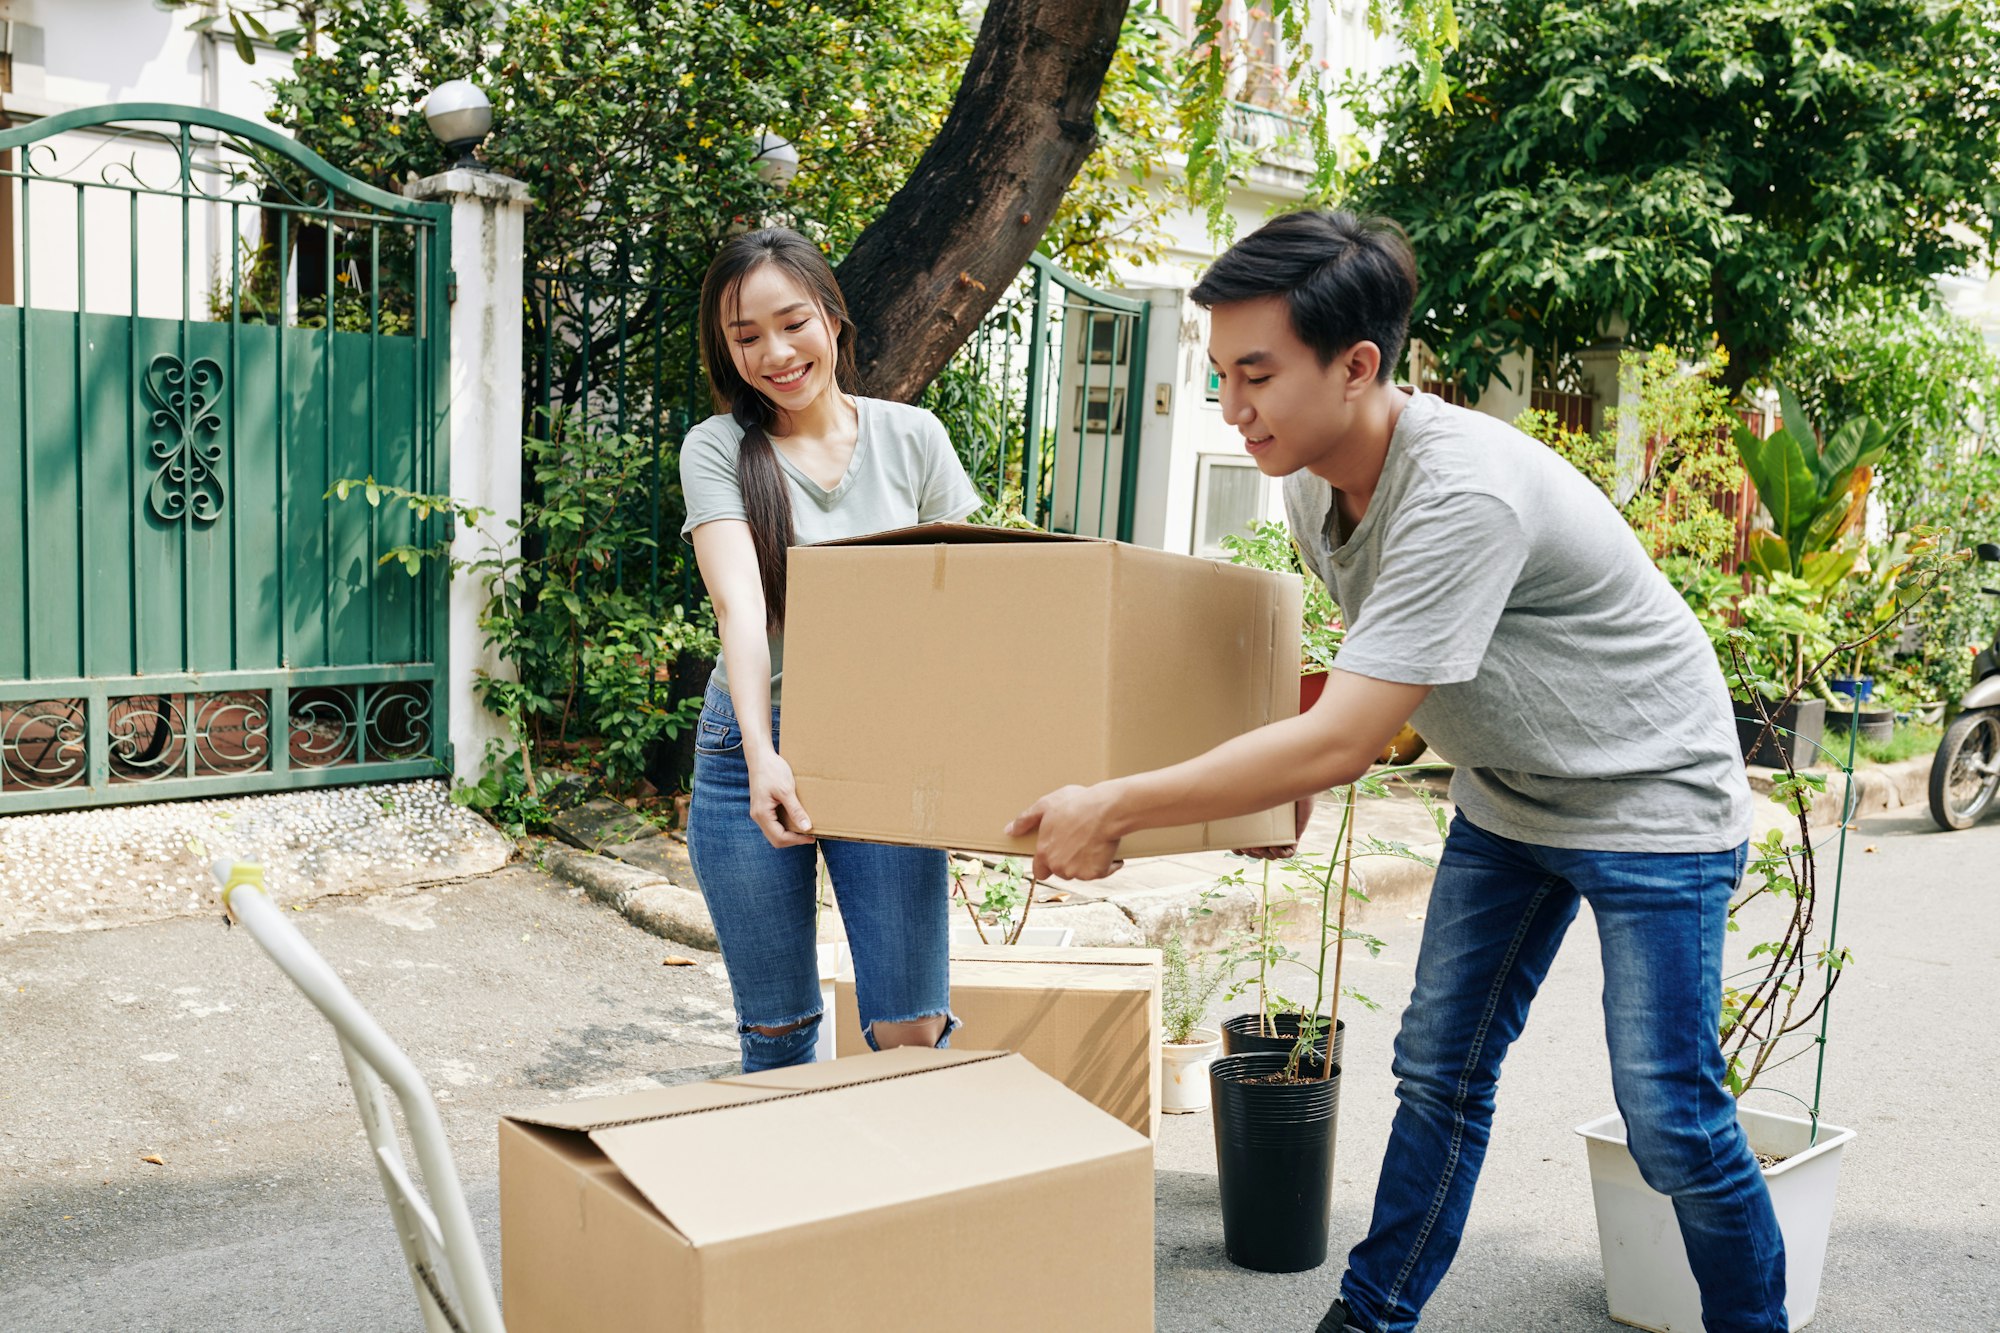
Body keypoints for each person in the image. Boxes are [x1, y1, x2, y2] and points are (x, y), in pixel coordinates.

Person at [1005, 210, 1784, 1333]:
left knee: (1668, 1115)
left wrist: (1116, 805)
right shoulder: (1309, 480)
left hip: (1650, 800)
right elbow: (1376, 679)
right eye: (1220, 375)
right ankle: (1367, 1321)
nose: (1232, 410)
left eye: (1256, 375)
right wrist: (1290, 784)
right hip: (1511, 797)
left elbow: (1349, 731)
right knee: (1438, 1070)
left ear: (1357, 363)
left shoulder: (1460, 488)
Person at [679, 227, 981, 1073]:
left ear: (834, 320)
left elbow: (968, 607)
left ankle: (897, 1204)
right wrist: (766, 752)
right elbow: (741, 607)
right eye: (746, 336)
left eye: (792, 322)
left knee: (910, 1028)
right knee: (776, 1031)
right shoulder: (718, 450)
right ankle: (805, 1201)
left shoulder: (913, 438)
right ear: (726, 348)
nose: (775, 352)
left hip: (886, 740)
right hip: (751, 741)